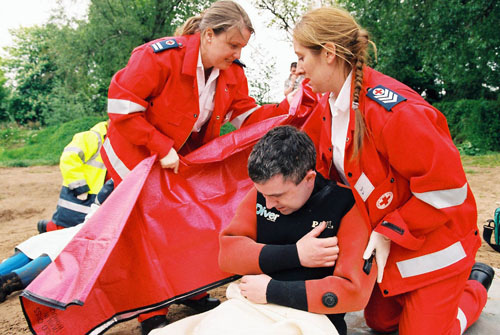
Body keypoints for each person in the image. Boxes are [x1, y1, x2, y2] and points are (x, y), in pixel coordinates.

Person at [292, 6, 495, 334]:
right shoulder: (329, 105)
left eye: (302, 57)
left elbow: (447, 189)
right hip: (391, 242)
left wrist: (388, 234)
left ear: (328, 53)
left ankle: (474, 287)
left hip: (435, 242)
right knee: (381, 323)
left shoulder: (394, 112)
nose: (299, 69)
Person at [100, 1, 289, 333]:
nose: (237, 52)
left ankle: (192, 291)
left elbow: (247, 117)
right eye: (232, 44)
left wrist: (290, 104)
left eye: (242, 47)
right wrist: (160, 148)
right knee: (147, 231)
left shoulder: (232, 72)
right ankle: (151, 310)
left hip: (181, 156)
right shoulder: (158, 57)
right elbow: (122, 108)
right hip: (134, 153)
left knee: (193, 221)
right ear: (208, 35)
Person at [216, 125, 377, 335]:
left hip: (312, 319)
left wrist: (271, 291)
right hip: (254, 308)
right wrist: (297, 254)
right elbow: (228, 256)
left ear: (309, 179)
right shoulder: (265, 193)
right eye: (263, 194)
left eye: (278, 196)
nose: (269, 204)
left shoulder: (346, 205)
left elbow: (354, 293)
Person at [0, 179, 114, 303]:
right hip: (94, 222)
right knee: (42, 241)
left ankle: (7, 283)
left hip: (103, 232)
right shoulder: (120, 177)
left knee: (66, 248)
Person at [37, 120, 108, 233]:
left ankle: (48, 228)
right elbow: (69, 158)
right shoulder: (93, 137)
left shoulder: (118, 141)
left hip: (99, 195)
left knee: (87, 229)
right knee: (68, 227)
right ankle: (48, 229)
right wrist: (79, 187)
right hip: (82, 193)